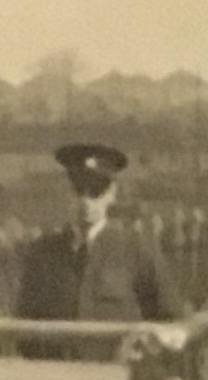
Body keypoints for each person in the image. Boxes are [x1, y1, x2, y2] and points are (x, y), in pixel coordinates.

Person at [14, 141, 187, 331]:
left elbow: (171, 320)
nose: (86, 201)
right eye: (78, 189)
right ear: (66, 192)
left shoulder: (136, 250)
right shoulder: (42, 253)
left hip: (115, 351)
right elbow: (24, 326)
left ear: (112, 193)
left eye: (96, 191)